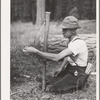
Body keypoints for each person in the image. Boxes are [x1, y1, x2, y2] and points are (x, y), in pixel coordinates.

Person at [23, 16, 88, 93]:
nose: (62, 31)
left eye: (65, 29)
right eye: (62, 29)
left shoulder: (78, 43)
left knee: (53, 89)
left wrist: (36, 51)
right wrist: (61, 68)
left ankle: (80, 84)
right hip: (70, 69)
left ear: (73, 30)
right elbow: (67, 57)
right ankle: (68, 81)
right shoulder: (71, 41)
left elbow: (57, 57)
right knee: (50, 82)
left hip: (78, 73)